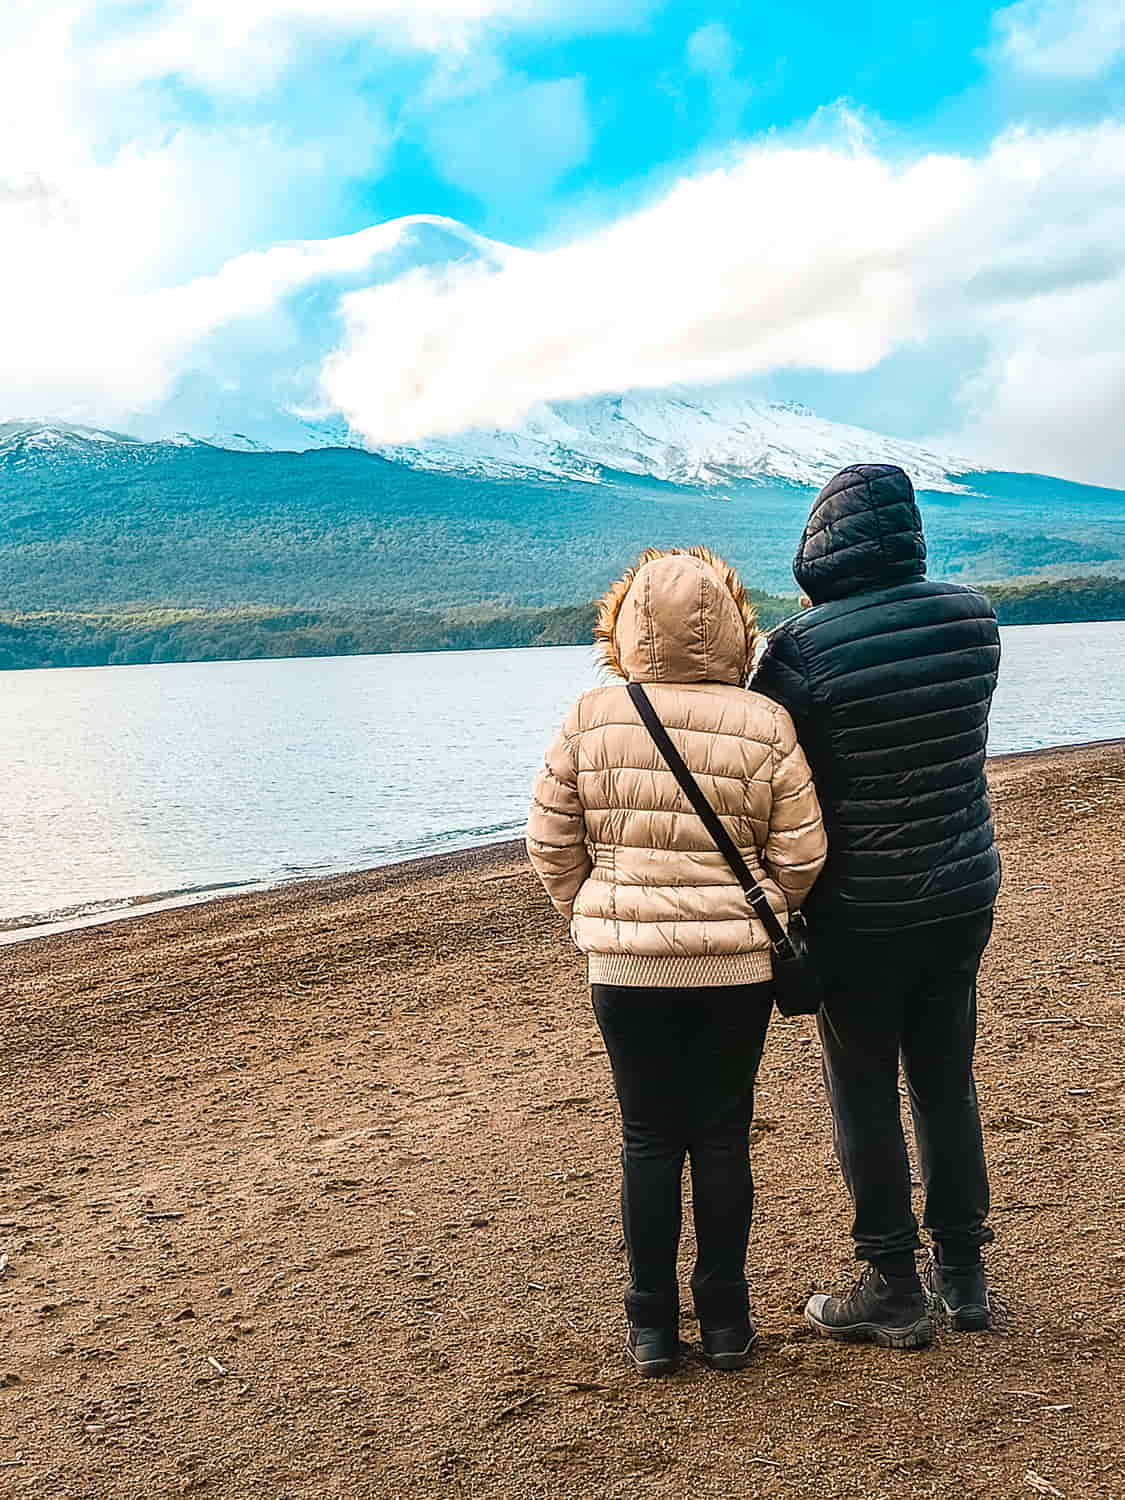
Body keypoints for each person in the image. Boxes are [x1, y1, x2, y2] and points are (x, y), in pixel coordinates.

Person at [526, 546, 826, 1376]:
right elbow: (801, 851)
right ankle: (727, 1324)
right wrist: (766, 907)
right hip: (735, 966)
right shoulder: (763, 720)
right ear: (734, 627)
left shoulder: (592, 715)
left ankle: (651, 1327)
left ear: (621, 628)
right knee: (723, 1135)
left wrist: (596, 911)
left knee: (649, 1140)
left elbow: (551, 841)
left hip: (625, 970)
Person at [752, 463, 1002, 1349]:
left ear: (819, 543)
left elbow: (768, 773)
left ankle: (891, 1282)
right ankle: (964, 1278)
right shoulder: (974, 619)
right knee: (945, 1077)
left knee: (861, 1086)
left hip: (857, 906)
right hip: (964, 885)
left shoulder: (798, 650)